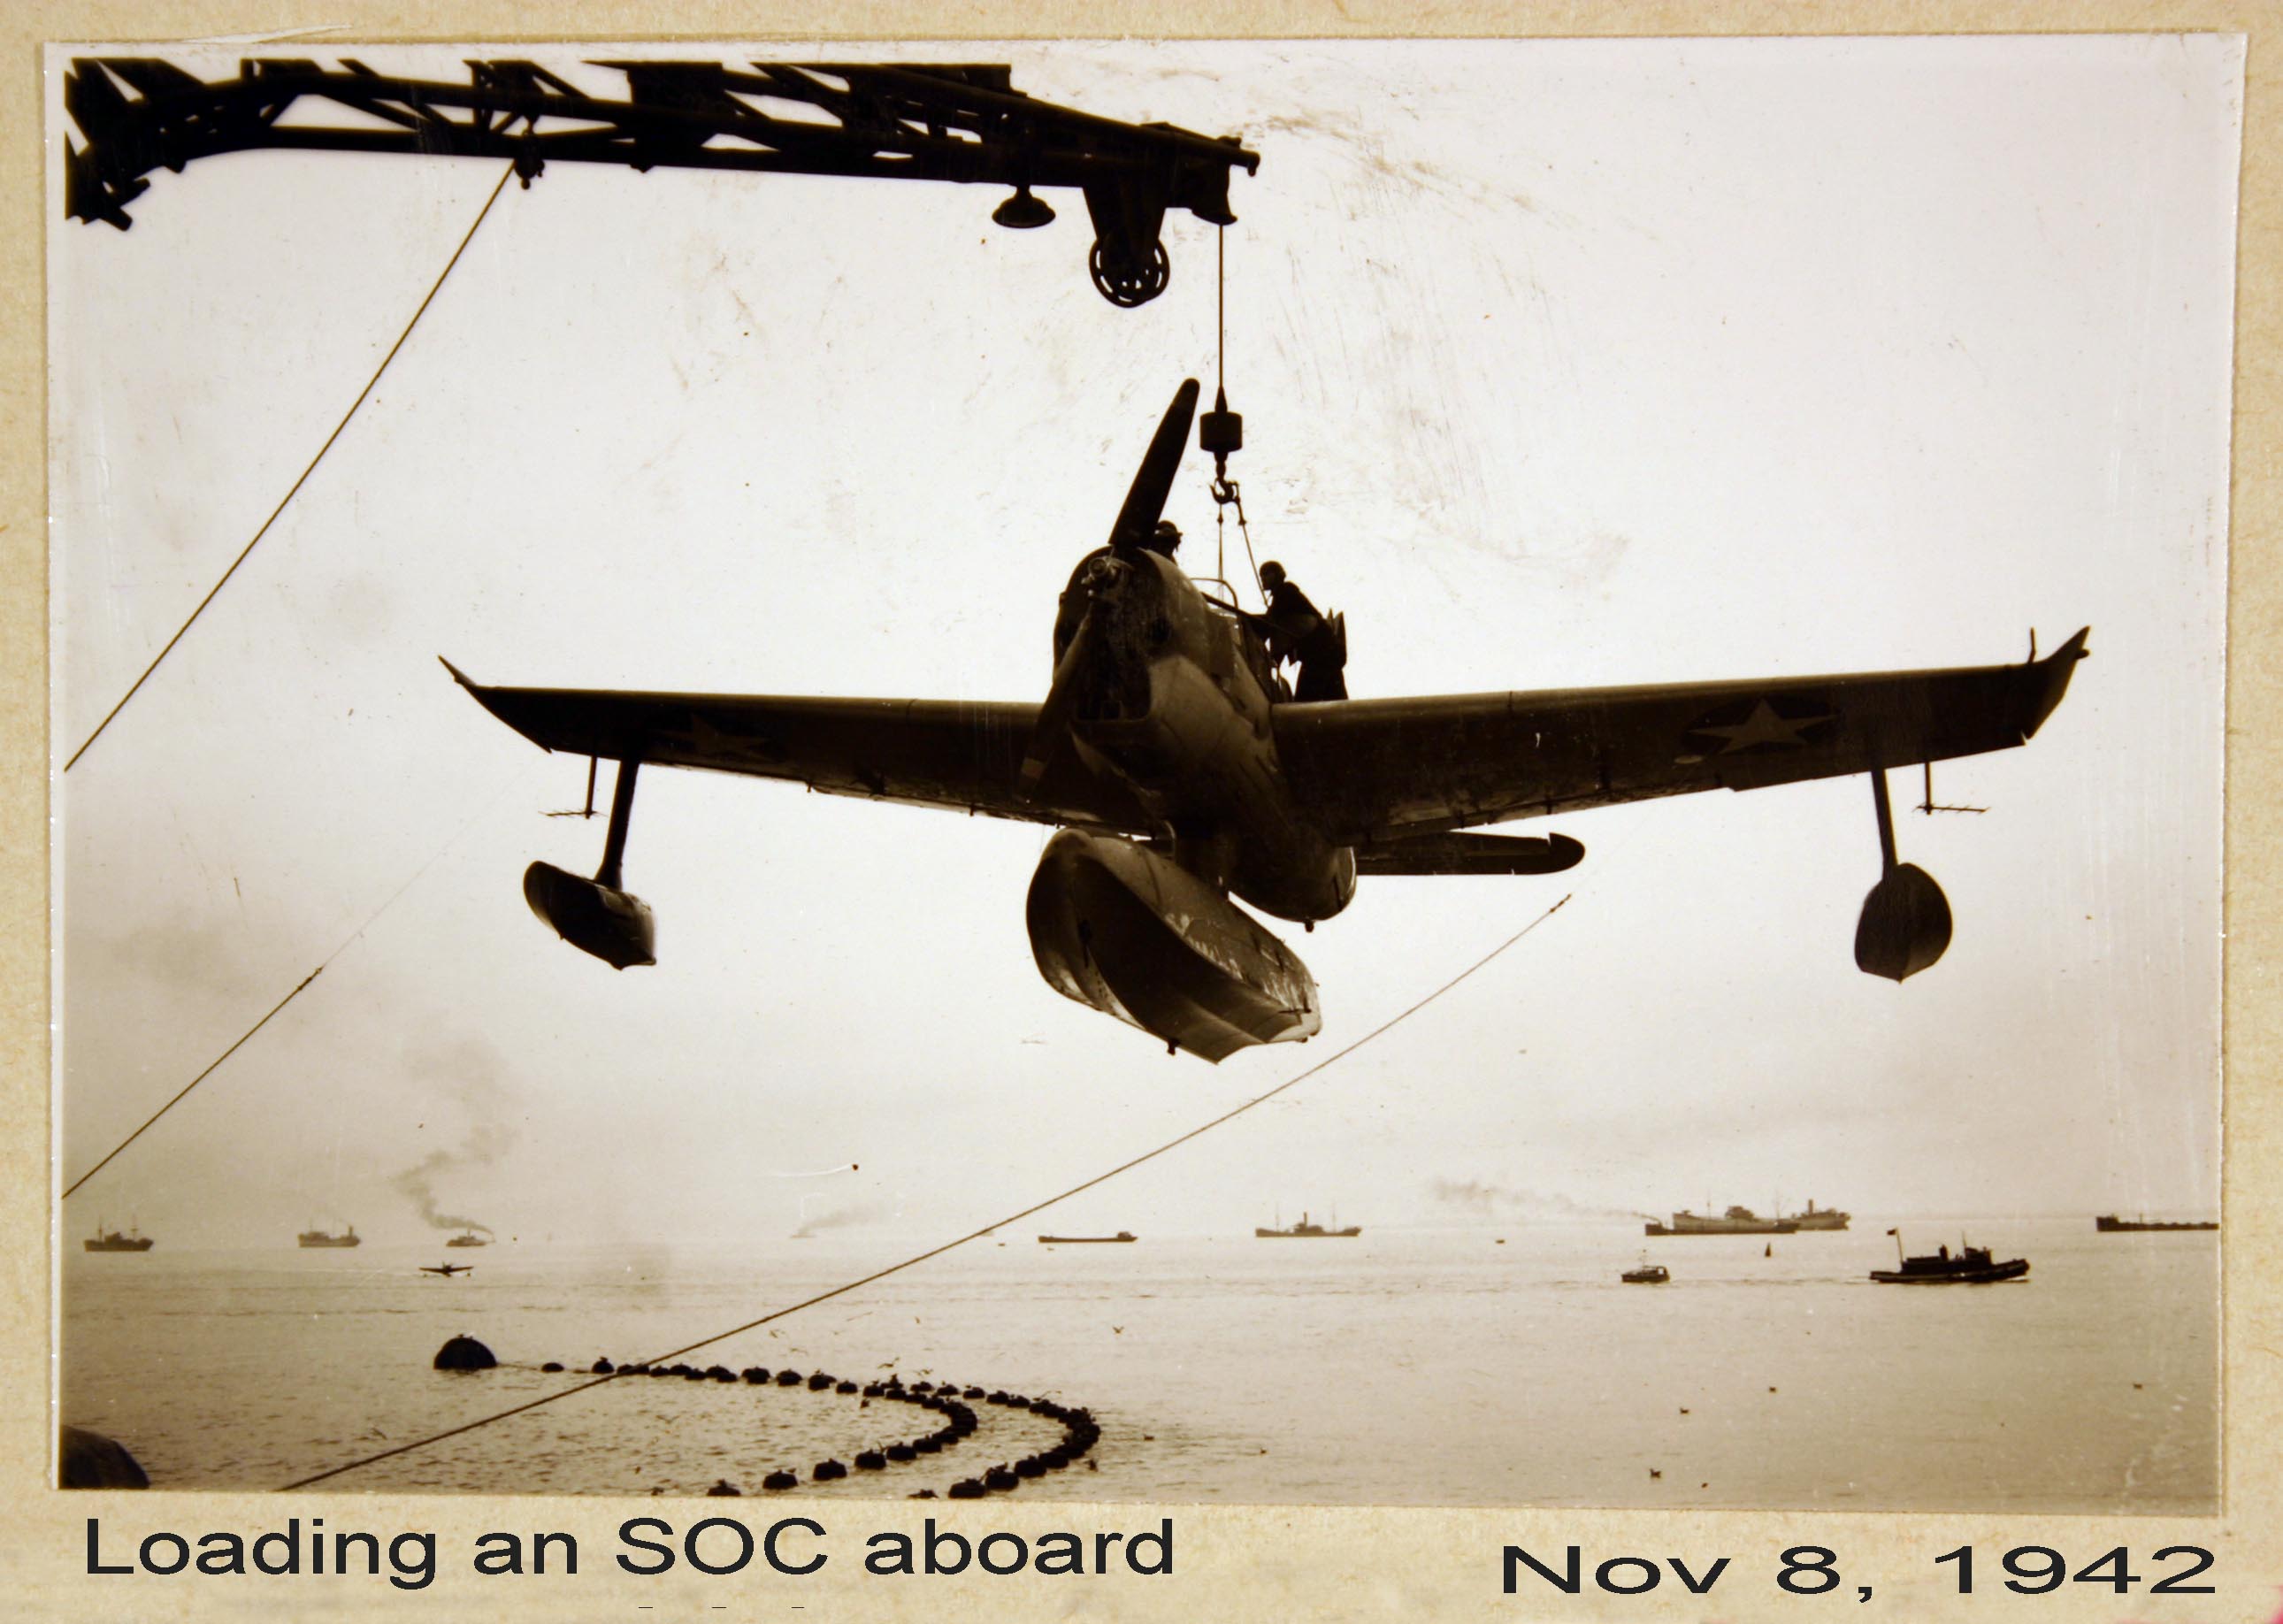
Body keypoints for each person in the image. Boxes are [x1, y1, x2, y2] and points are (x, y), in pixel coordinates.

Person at [1254, 561, 1347, 701]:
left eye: (1266, 575)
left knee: (1305, 701)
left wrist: (1247, 624)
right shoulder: (1286, 595)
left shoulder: (1286, 592)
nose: (1263, 579)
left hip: (1321, 655)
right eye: (1261, 576)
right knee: (1334, 701)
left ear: (1277, 575)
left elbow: (1268, 624)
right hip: (1328, 654)